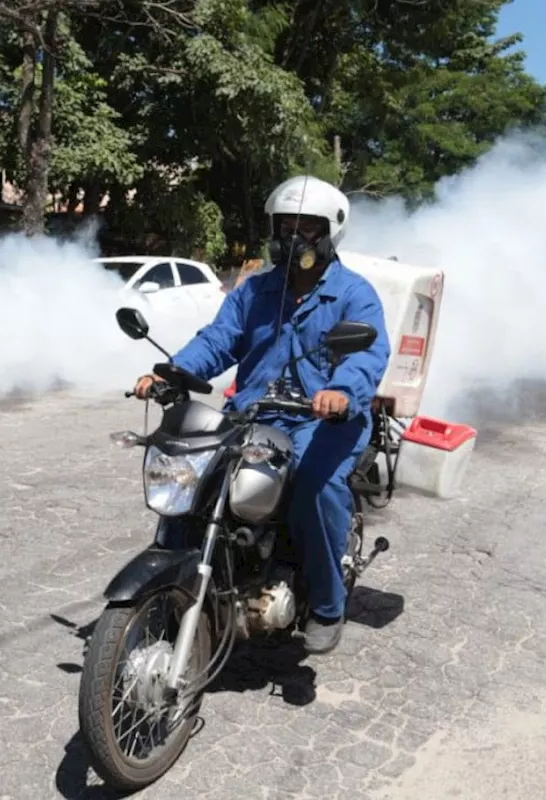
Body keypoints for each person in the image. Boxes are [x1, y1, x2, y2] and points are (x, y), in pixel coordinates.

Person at [132, 175, 391, 655]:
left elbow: (368, 356)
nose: (294, 237)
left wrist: (340, 390)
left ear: (330, 232)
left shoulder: (355, 294)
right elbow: (219, 338)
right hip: (253, 412)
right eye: (285, 225)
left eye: (307, 227)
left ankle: (327, 605)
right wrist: (174, 372)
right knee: (201, 477)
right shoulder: (255, 292)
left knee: (316, 486)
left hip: (324, 419)